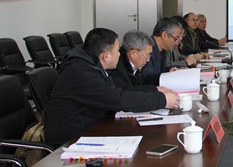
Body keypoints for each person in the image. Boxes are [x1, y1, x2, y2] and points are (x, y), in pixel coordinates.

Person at [45, 28, 180, 148]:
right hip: (69, 142)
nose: (120, 54)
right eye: (117, 51)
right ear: (106, 55)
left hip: (90, 128)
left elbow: (117, 94)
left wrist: (155, 92)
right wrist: (162, 100)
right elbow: (117, 98)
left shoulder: (90, 67)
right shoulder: (81, 73)